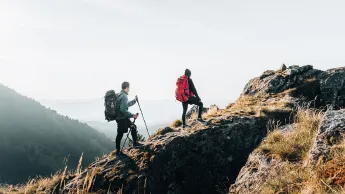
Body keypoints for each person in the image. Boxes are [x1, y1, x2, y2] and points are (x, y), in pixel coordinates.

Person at [115, 81, 142, 156]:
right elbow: (123, 109)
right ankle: (118, 151)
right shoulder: (124, 96)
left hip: (120, 117)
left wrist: (134, 101)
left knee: (133, 127)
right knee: (120, 134)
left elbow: (126, 105)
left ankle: (135, 143)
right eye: (129, 87)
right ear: (127, 88)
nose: (129, 89)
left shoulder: (119, 94)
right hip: (122, 118)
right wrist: (132, 115)